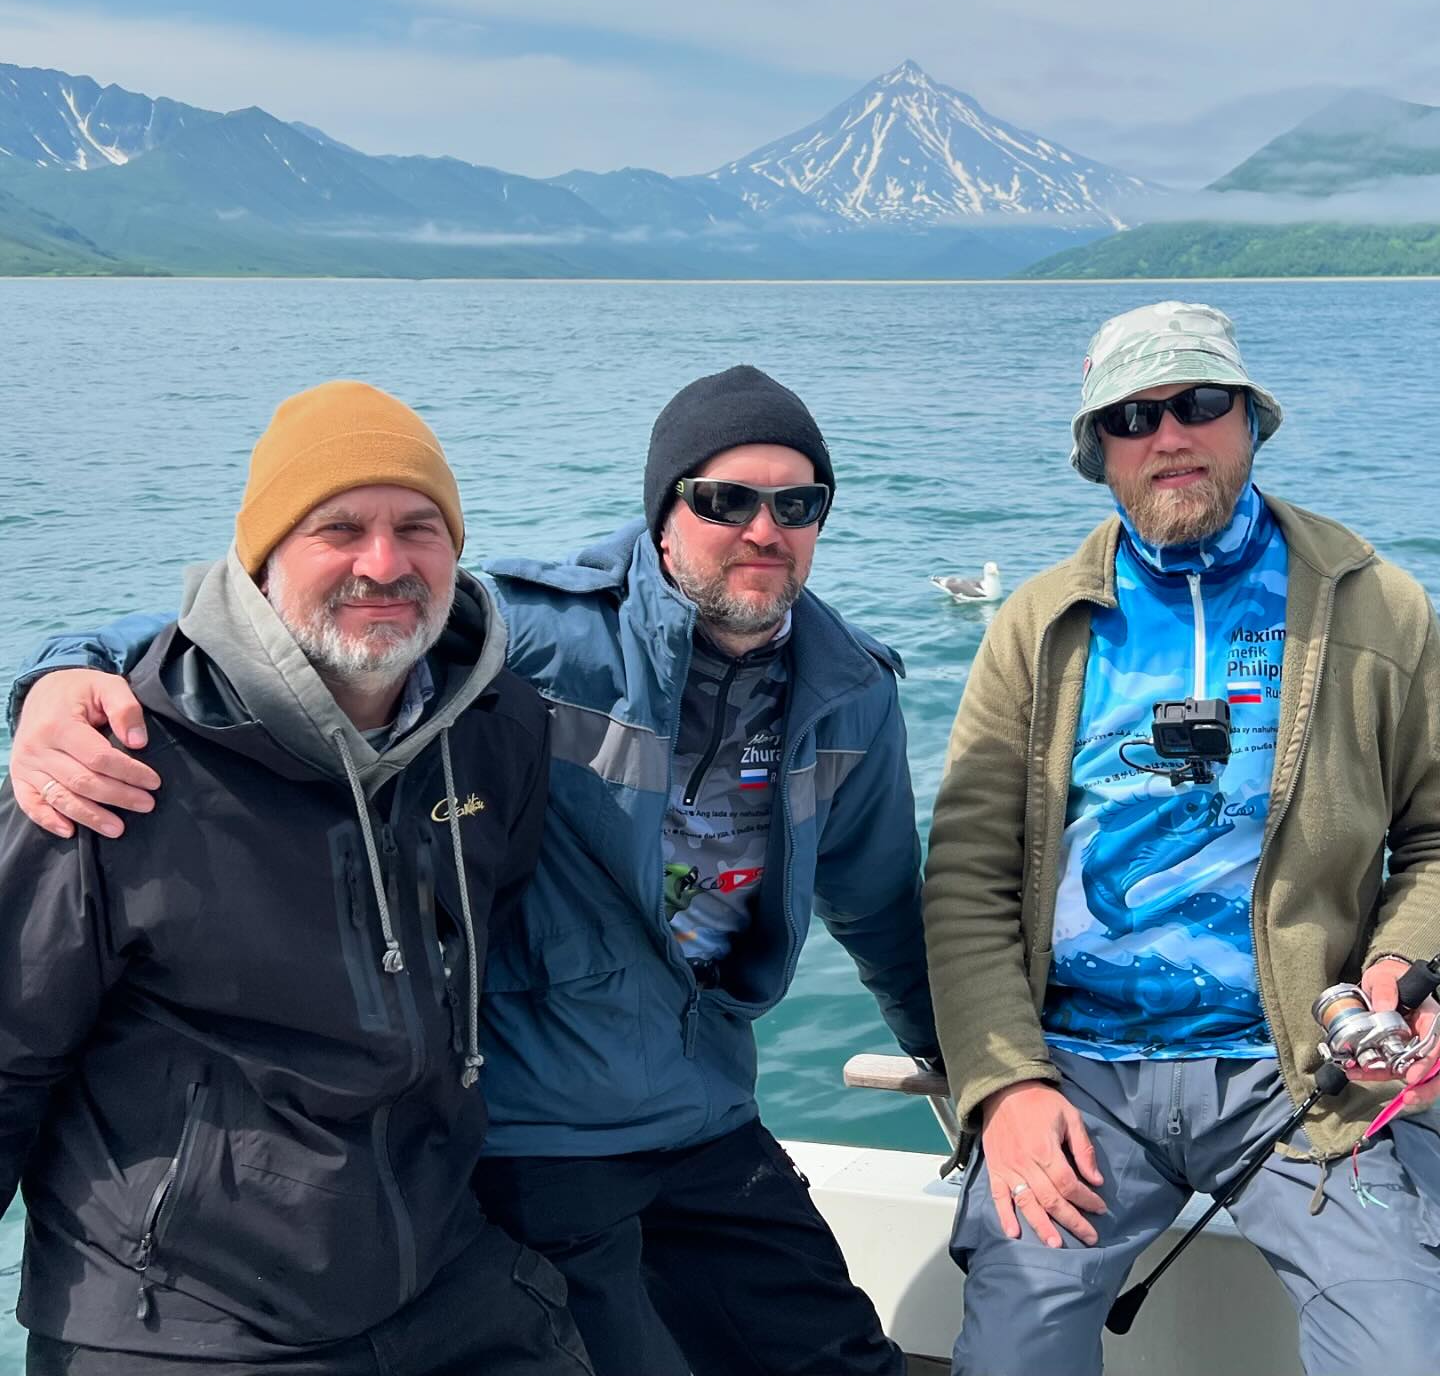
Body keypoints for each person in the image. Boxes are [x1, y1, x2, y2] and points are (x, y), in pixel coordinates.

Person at [7, 365, 938, 1376]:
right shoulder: (542, 642)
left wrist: (985, 1077)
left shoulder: (847, 689)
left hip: (703, 1113)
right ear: (664, 513)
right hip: (533, 1138)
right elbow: (284, 625)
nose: (764, 528)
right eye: (724, 501)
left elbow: (883, 905)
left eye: (798, 504)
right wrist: (64, 670)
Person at [0, 381, 589, 1374]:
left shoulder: (499, 733)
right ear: (266, 554)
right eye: (338, 529)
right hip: (182, 1314)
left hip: (438, 1275)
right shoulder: (116, 763)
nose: (384, 563)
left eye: (419, 527)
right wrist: (58, 668)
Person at [922, 301, 1440, 1376]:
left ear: (1250, 418)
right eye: (1130, 415)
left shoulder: (1380, 606)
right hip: (1079, 1079)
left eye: (1200, 403)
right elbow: (966, 879)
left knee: (1401, 1345)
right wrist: (1004, 1084)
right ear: (1097, 449)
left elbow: (1435, 843)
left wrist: (1399, 970)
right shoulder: (1038, 625)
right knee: (1014, 1351)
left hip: (1307, 1075)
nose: (1168, 434)